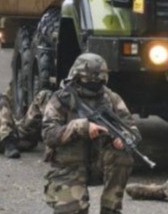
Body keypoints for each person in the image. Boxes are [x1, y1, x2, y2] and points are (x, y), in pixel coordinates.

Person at [42, 53, 138, 214]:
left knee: (124, 155)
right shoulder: (62, 99)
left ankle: (110, 207)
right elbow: (49, 134)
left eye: (98, 81)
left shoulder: (110, 98)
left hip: (100, 163)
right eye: (89, 81)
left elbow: (131, 128)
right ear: (77, 77)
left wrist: (124, 138)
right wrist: (80, 127)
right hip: (69, 167)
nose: (94, 85)